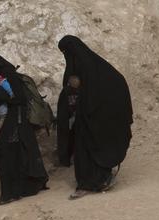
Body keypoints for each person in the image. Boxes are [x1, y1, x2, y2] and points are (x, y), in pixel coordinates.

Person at [57, 35, 133, 200]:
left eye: (66, 51)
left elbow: (106, 89)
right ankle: (86, 183)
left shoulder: (94, 68)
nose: (66, 55)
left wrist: (84, 94)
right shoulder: (80, 66)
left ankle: (96, 182)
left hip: (98, 118)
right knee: (82, 151)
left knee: (96, 148)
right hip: (83, 120)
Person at [0, 50, 49, 205]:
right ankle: (11, 192)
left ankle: (11, 193)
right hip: (4, 125)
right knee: (7, 159)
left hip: (15, 126)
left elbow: (17, 98)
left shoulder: (10, 76)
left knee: (13, 159)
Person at [55, 75, 81, 167]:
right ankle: (65, 160)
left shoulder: (69, 91)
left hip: (71, 120)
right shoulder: (67, 92)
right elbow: (63, 108)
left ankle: (67, 159)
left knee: (69, 140)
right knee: (66, 140)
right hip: (67, 120)